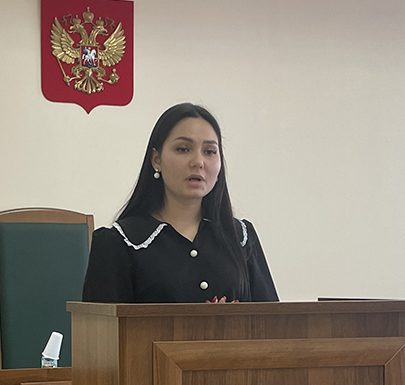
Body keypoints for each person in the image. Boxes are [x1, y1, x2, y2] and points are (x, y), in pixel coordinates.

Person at [82, 102, 278, 304]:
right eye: (183, 149)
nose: (198, 162)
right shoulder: (120, 242)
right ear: (156, 160)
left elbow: (273, 319)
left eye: (210, 151)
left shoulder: (240, 237)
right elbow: (102, 323)